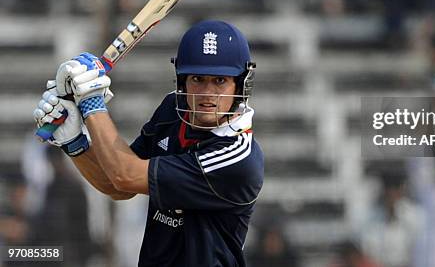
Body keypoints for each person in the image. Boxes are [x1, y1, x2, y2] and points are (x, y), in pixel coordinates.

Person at [32, 20, 264, 267]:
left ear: (239, 84)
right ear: (182, 80)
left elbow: (125, 175)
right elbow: (118, 186)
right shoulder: (171, 112)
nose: (207, 93)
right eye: (198, 78)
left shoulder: (238, 157)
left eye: (220, 81)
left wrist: (91, 104)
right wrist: (74, 142)